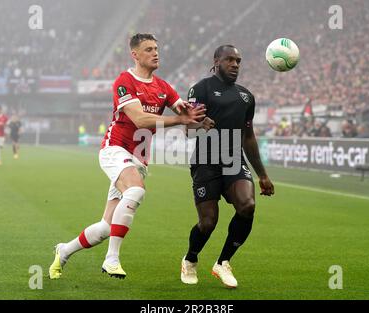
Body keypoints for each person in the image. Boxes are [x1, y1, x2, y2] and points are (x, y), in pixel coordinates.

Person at [49, 33, 206, 280]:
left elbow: (187, 122)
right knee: (136, 191)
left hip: (139, 159)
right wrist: (180, 119)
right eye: (148, 49)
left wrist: (201, 119)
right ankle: (111, 259)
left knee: (105, 228)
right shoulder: (125, 81)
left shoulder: (164, 88)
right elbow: (140, 119)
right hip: (115, 149)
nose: (155, 53)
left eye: (156, 48)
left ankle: (64, 251)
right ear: (135, 54)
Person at [180, 45, 274, 288]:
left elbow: (249, 137)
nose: (235, 64)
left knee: (248, 205)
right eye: (229, 60)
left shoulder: (246, 97)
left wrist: (262, 175)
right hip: (205, 162)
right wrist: (200, 125)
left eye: (238, 61)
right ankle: (190, 259)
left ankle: (223, 262)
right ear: (216, 61)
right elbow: (187, 129)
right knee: (208, 223)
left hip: (234, 161)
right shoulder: (200, 89)